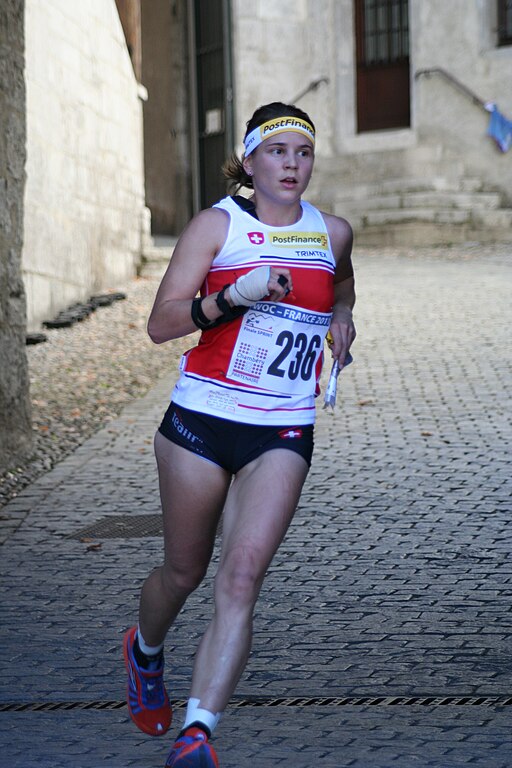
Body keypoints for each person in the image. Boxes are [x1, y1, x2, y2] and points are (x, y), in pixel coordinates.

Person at [123, 101, 356, 767]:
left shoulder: (331, 232)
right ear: (249, 163)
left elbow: (342, 289)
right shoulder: (216, 226)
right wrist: (233, 297)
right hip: (200, 421)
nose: (292, 164)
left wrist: (342, 319)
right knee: (183, 571)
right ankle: (144, 649)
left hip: (282, 427)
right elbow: (162, 323)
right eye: (277, 152)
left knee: (242, 574)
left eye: (303, 153)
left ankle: (198, 734)